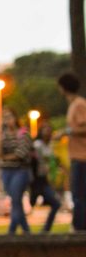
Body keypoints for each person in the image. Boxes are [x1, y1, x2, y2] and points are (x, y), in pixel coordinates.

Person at [57, 72, 86, 231]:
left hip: (82, 156)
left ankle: (79, 228)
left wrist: (68, 132)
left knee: (79, 194)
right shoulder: (74, 104)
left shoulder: (79, 104)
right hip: (76, 155)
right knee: (78, 194)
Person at [0, 108, 33, 235]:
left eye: (9, 117)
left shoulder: (23, 133)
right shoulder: (4, 135)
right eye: (5, 118)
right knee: (15, 200)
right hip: (6, 171)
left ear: (15, 118)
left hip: (20, 170)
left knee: (16, 199)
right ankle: (26, 230)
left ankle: (12, 231)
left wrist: (6, 157)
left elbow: (21, 154)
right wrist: (0, 136)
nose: (7, 120)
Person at [30, 122, 62, 233]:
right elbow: (41, 158)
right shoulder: (38, 144)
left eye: (49, 129)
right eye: (45, 129)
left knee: (56, 203)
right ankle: (28, 229)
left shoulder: (49, 146)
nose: (47, 132)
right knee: (31, 203)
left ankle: (45, 229)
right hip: (37, 180)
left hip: (44, 179)